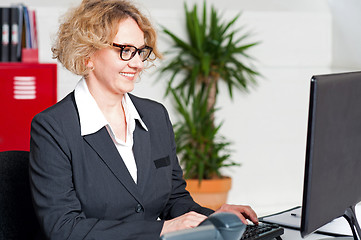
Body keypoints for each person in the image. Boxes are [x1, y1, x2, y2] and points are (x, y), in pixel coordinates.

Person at [29, 0, 258, 239]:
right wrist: (161, 229)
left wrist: (214, 218)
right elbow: (65, 229)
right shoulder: (53, 128)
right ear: (88, 55)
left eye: (140, 51)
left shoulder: (155, 116)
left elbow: (174, 200)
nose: (138, 63)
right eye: (125, 50)